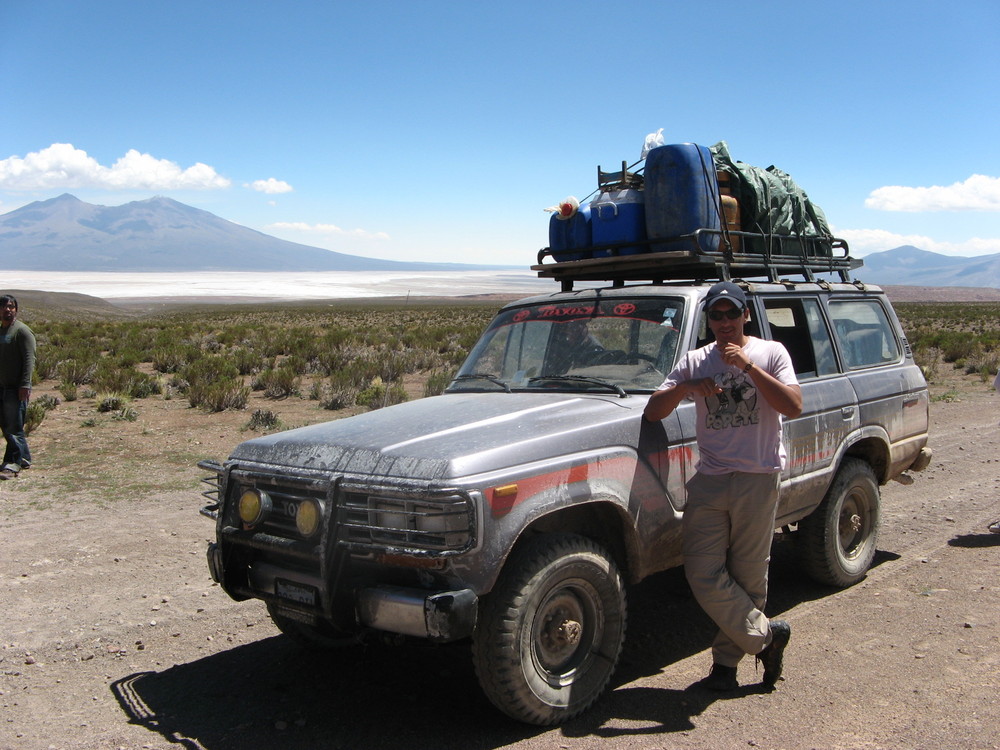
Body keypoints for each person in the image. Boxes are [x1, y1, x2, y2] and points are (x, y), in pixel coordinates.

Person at [643, 281, 802, 691]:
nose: (725, 322)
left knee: (748, 574)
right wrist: (685, 388)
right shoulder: (695, 360)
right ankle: (767, 638)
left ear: (745, 315)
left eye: (733, 313)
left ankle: (725, 667)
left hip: (757, 475)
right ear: (708, 320)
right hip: (710, 480)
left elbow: (792, 405)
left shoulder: (772, 352)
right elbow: (654, 411)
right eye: (717, 315)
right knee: (702, 572)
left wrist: (747, 367)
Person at [0, 294, 36, 477]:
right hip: (2, 387)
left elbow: (29, 360)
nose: (8, 309)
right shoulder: (2, 331)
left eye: (11, 306)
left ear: (16, 309)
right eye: (4, 307)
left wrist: (25, 385)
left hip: (16, 388)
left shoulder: (21, 331)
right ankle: (23, 457)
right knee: (6, 426)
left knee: (14, 427)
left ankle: (13, 463)